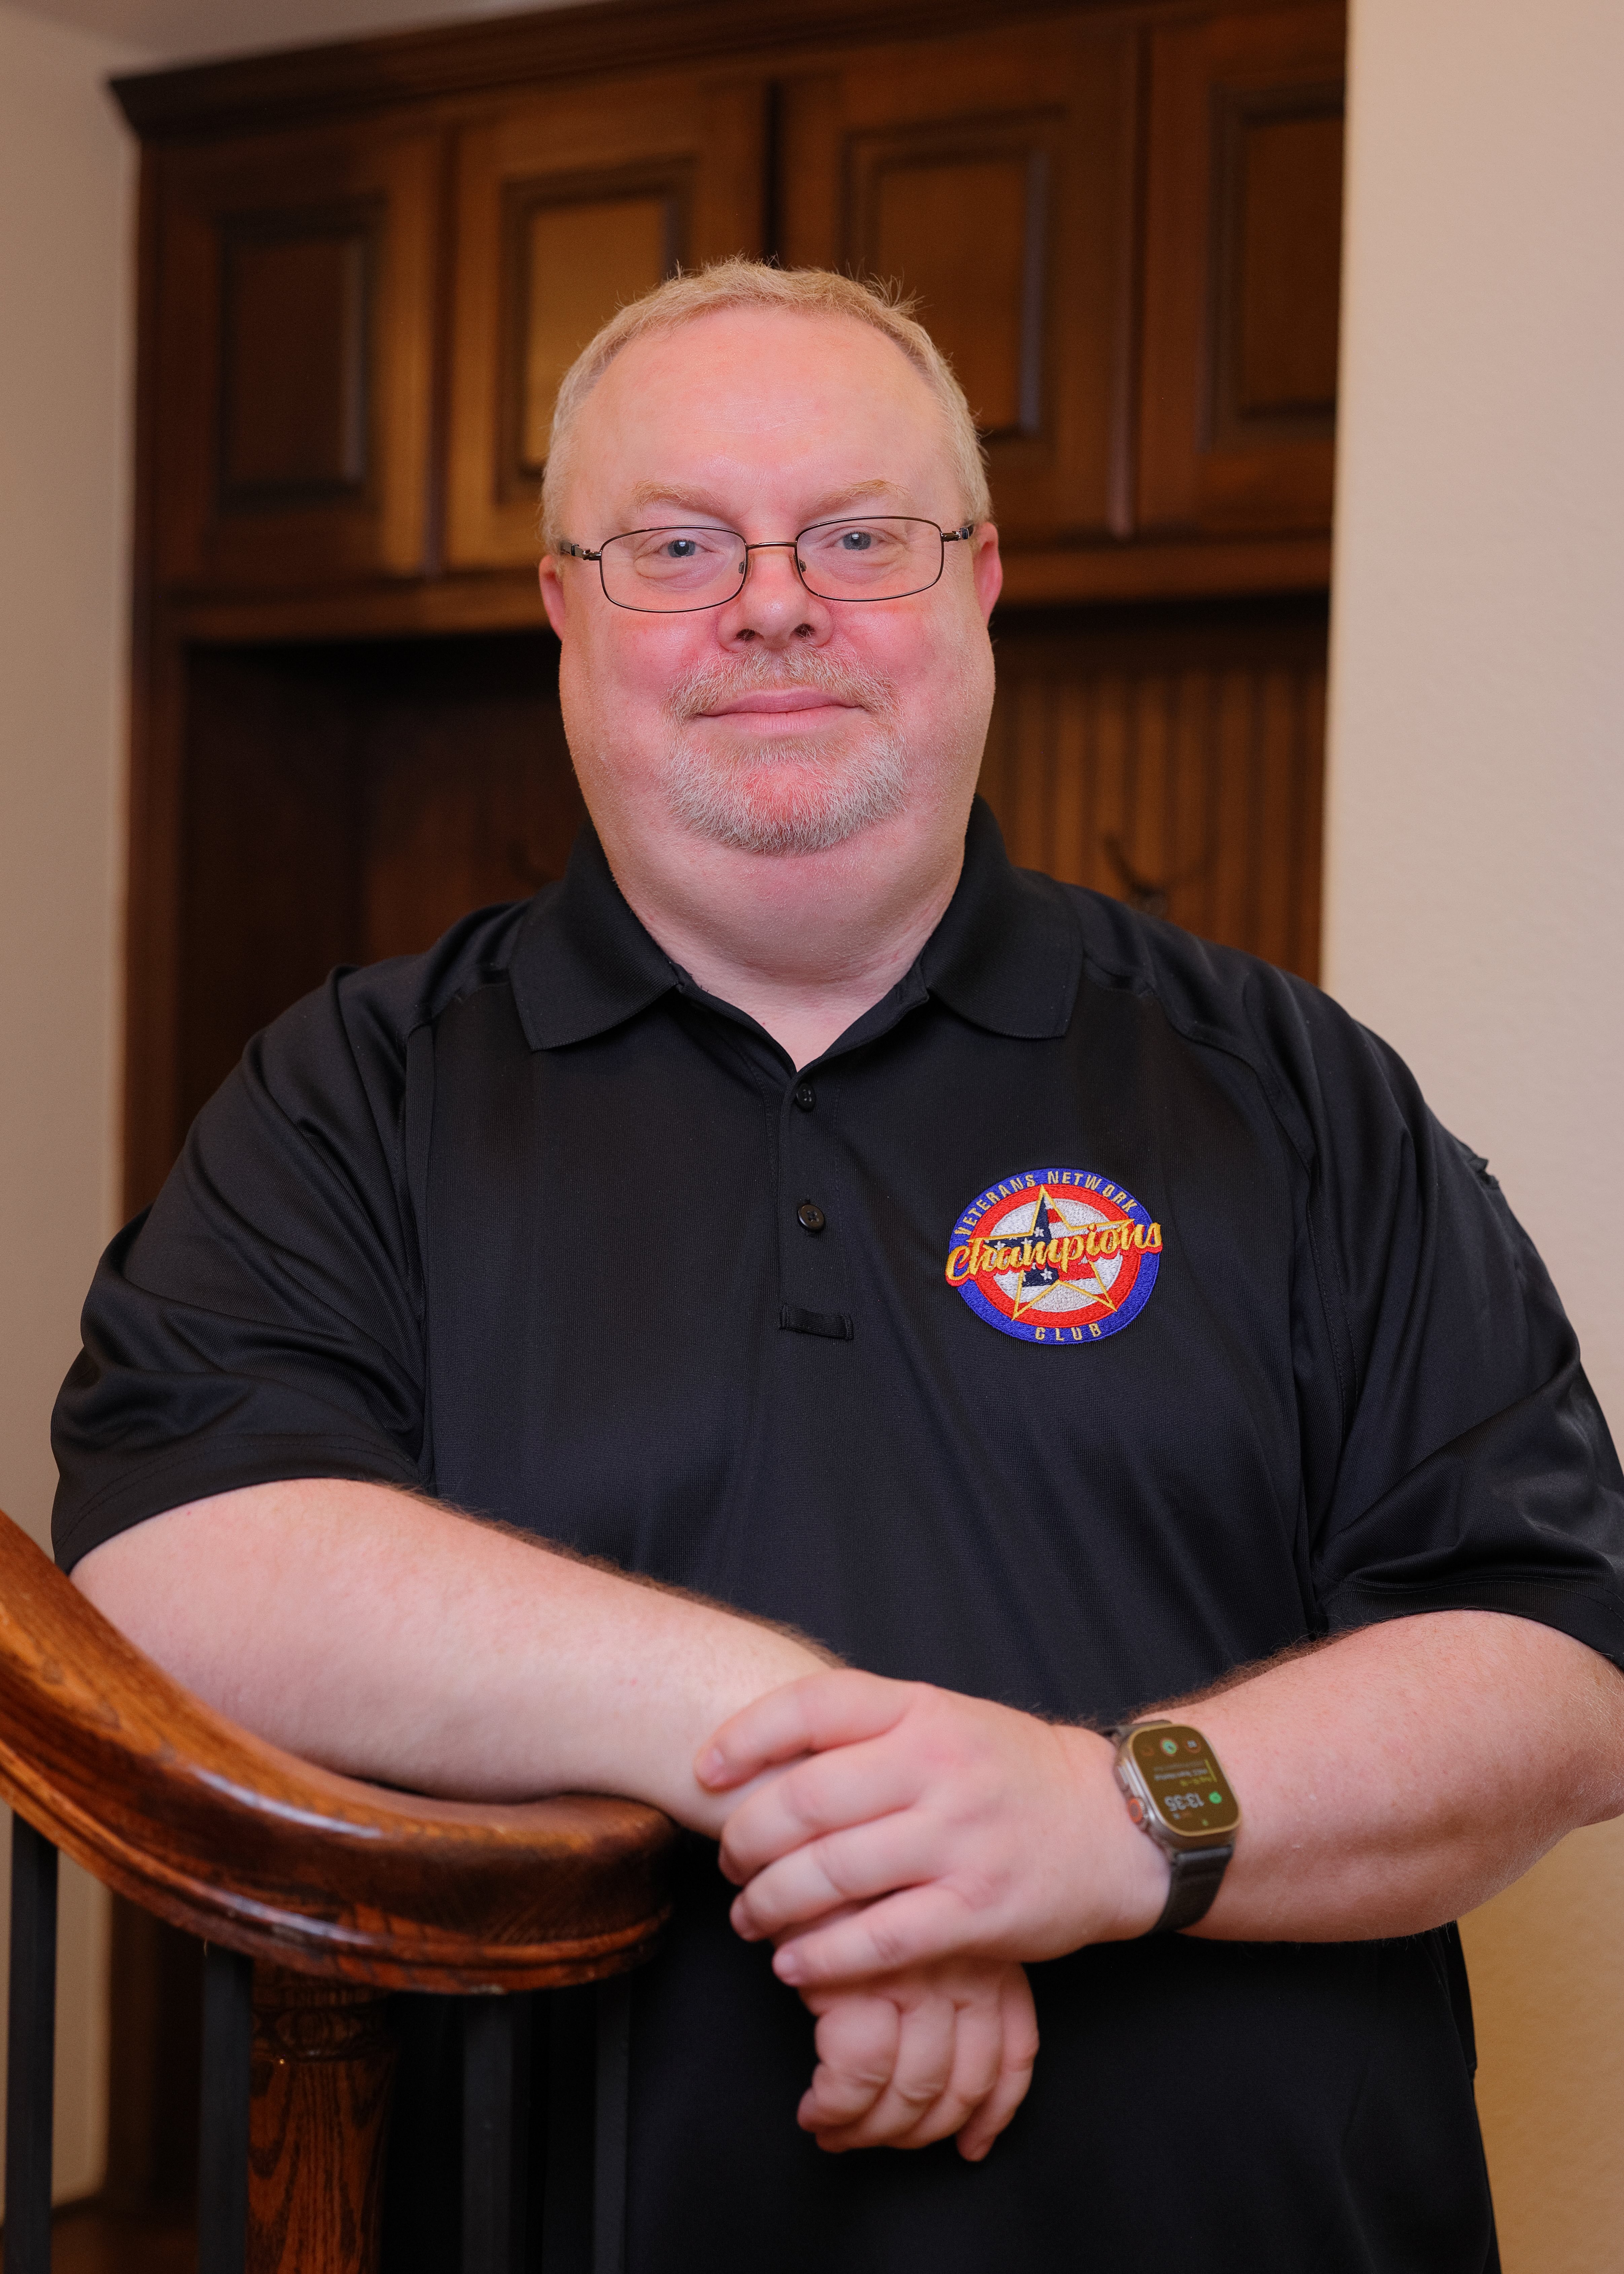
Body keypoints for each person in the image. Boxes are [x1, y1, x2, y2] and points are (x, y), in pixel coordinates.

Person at [53, 262, 1624, 2274]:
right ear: (563, 610)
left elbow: (1560, 1667)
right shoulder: (354, 1093)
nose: (774, 600)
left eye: (860, 536)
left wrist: (1099, 1820)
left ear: (979, 584)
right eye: (678, 544)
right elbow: (170, 1572)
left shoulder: (1295, 1093)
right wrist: (816, 1753)